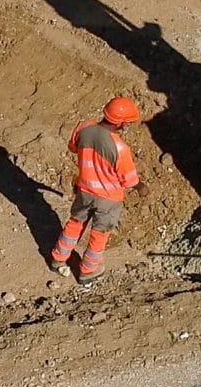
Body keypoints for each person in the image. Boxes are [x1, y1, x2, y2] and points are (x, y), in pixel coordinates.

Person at [51, 97, 144, 288]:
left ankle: (58, 258)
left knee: (75, 223)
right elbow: (129, 179)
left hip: (85, 190)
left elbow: (73, 147)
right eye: (127, 122)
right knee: (99, 234)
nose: (127, 126)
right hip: (108, 199)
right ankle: (88, 270)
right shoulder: (120, 148)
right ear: (120, 122)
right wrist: (141, 187)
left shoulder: (83, 128)